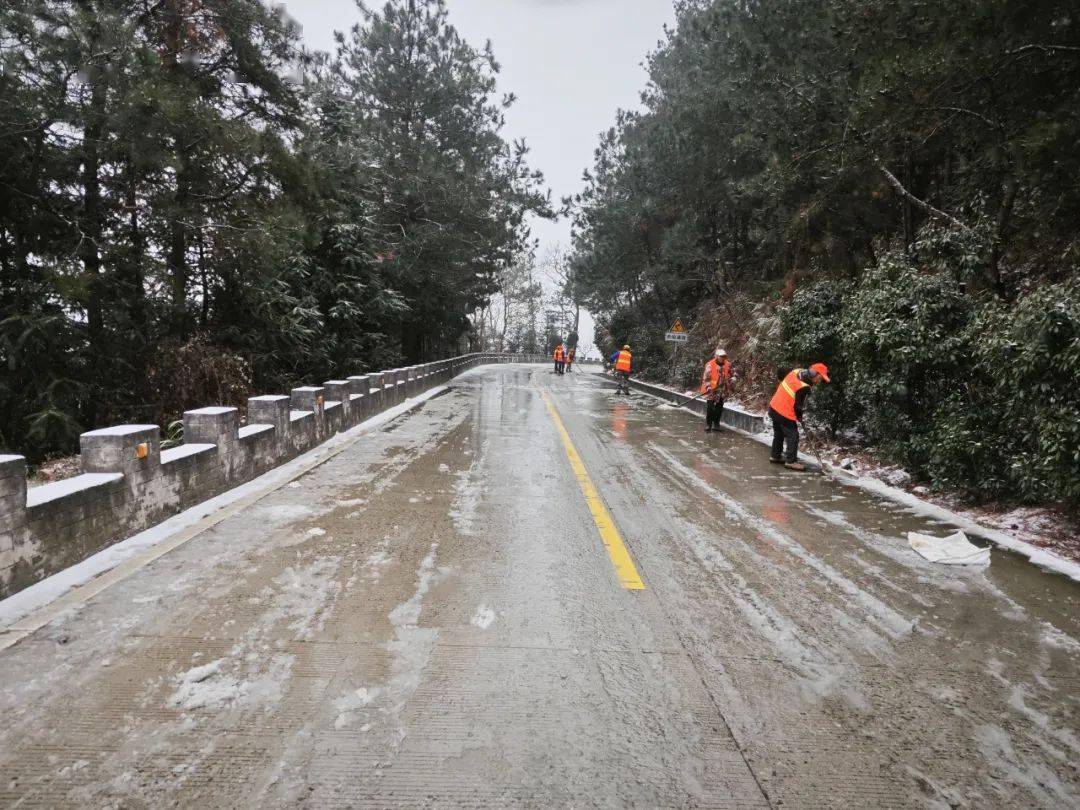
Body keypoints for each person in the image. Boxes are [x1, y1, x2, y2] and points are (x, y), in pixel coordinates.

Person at [768, 362, 829, 470]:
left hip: (774, 407)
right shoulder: (804, 387)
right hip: (784, 411)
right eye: (820, 378)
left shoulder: (797, 371)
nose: (820, 381)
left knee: (779, 433)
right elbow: (798, 406)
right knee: (793, 435)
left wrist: (798, 415)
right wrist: (799, 416)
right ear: (815, 373)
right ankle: (791, 461)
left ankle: (775, 456)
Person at [701, 348, 734, 432]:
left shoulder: (728, 364)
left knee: (719, 408)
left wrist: (734, 377)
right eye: (721, 356)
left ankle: (716, 424)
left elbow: (733, 373)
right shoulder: (710, 365)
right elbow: (706, 378)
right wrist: (708, 387)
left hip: (722, 390)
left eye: (724, 356)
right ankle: (709, 424)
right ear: (716, 356)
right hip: (711, 390)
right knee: (710, 407)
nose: (723, 358)